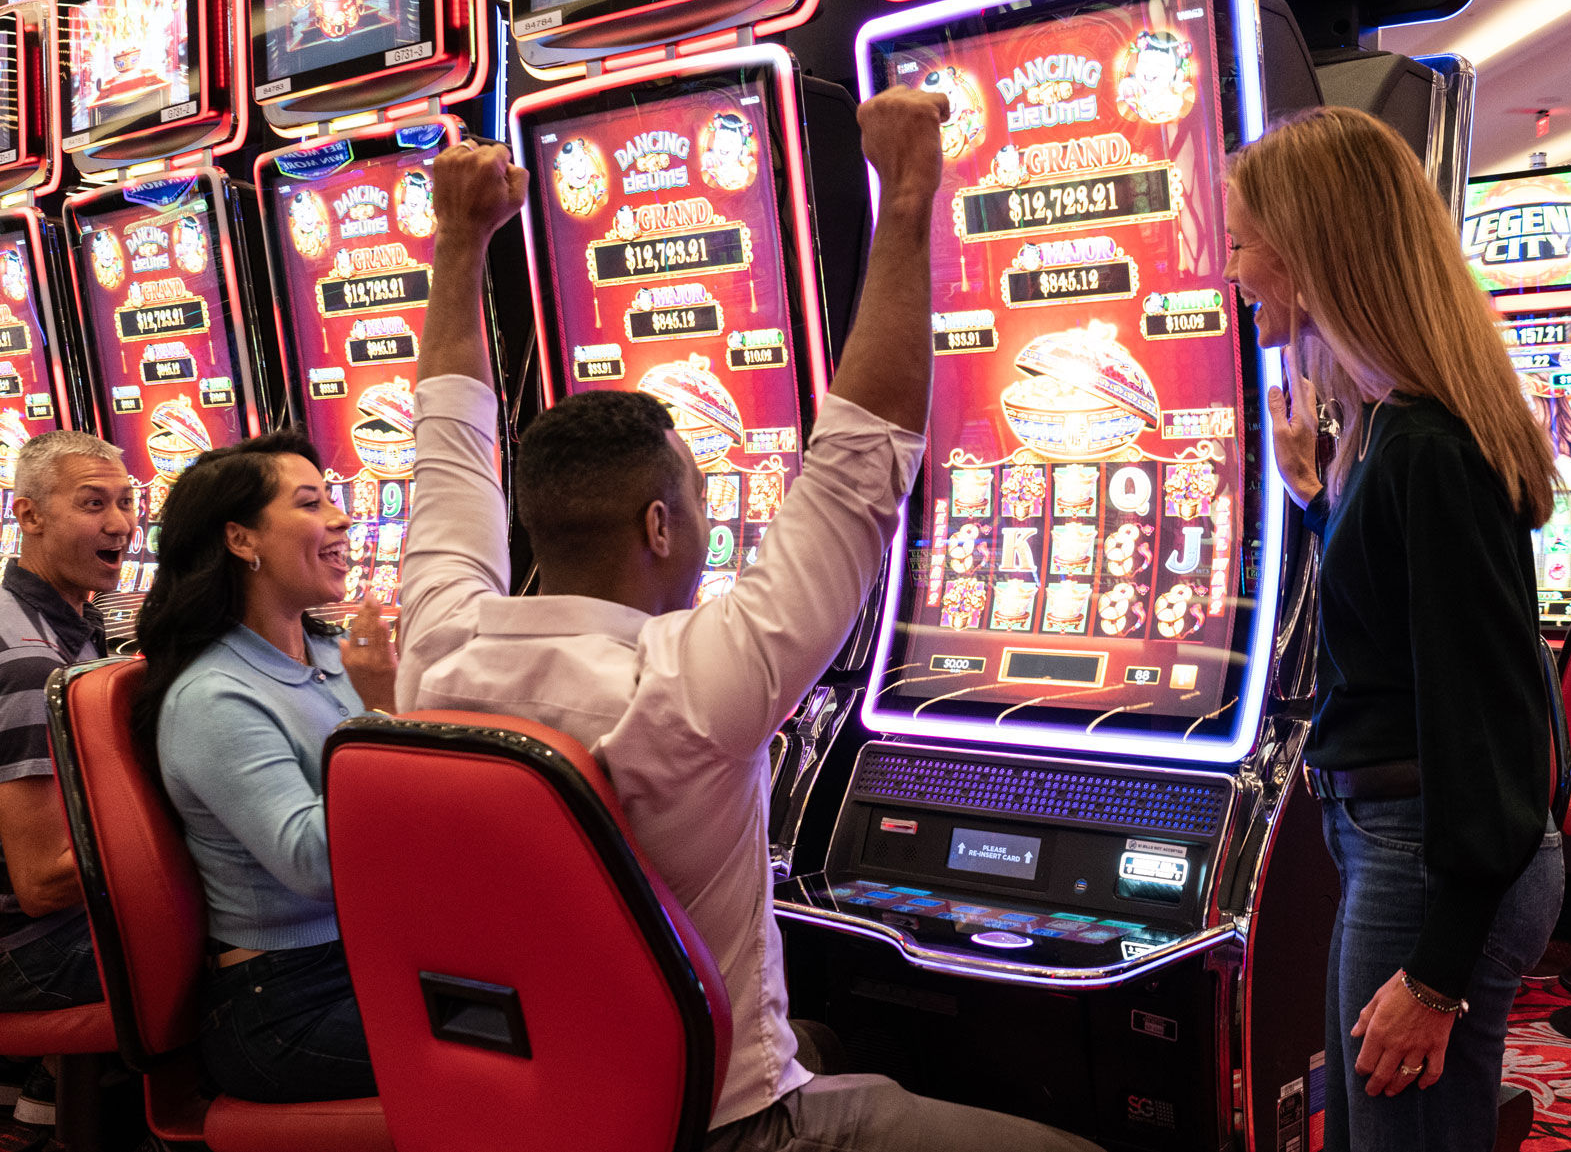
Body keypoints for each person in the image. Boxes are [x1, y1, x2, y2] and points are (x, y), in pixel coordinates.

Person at [397, 90, 1104, 1152]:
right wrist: (908, 197)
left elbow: (444, 447)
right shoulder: (687, 687)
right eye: (694, 493)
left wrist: (458, 243)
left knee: (820, 1032)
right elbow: (862, 464)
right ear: (660, 525)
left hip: (541, 1113)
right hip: (722, 1128)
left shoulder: (435, 652)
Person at [1228, 106, 1565, 1152]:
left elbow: (1491, 728)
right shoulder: (1386, 429)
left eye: (1243, 241)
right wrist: (1320, 499)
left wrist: (1437, 967)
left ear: (1316, 244)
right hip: (1396, 841)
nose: (1233, 270)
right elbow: (1395, 626)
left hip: (1436, 854)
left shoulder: (1429, 445)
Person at [131, 433, 396, 1103]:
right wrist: (384, 715)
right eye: (310, 503)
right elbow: (314, 865)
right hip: (282, 1003)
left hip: (368, 957)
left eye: (333, 498)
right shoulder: (215, 696)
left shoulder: (332, 655)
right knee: (533, 1039)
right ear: (242, 540)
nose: (340, 517)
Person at [0, 432, 132, 1124]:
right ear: (29, 515)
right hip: (19, 948)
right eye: (92, 504)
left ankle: (51, 1095)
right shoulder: (29, 661)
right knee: (236, 947)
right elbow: (40, 883)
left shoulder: (78, 623)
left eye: (127, 501)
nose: (120, 523)